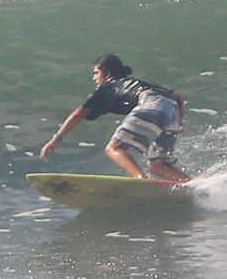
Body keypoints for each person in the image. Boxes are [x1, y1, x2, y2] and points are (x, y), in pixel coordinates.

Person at [40, 53, 191, 183]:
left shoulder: (109, 87)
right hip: (172, 111)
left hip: (150, 102)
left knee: (114, 148)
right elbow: (176, 97)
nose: (94, 78)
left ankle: (140, 179)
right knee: (157, 165)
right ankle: (193, 185)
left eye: (96, 73)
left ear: (106, 73)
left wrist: (56, 140)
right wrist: (180, 124)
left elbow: (78, 114)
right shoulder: (138, 82)